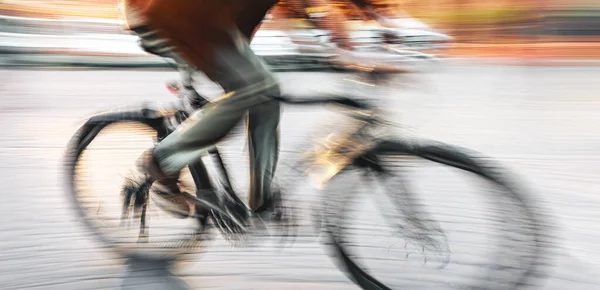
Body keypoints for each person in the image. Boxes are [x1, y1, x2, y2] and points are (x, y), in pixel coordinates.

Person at [121, 0, 392, 222]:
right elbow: (319, 9)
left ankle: (260, 199)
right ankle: (161, 162)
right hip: (168, 14)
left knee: (266, 95)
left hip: (206, 21)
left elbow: (314, 12)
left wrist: (368, 42)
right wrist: (353, 57)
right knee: (257, 87)